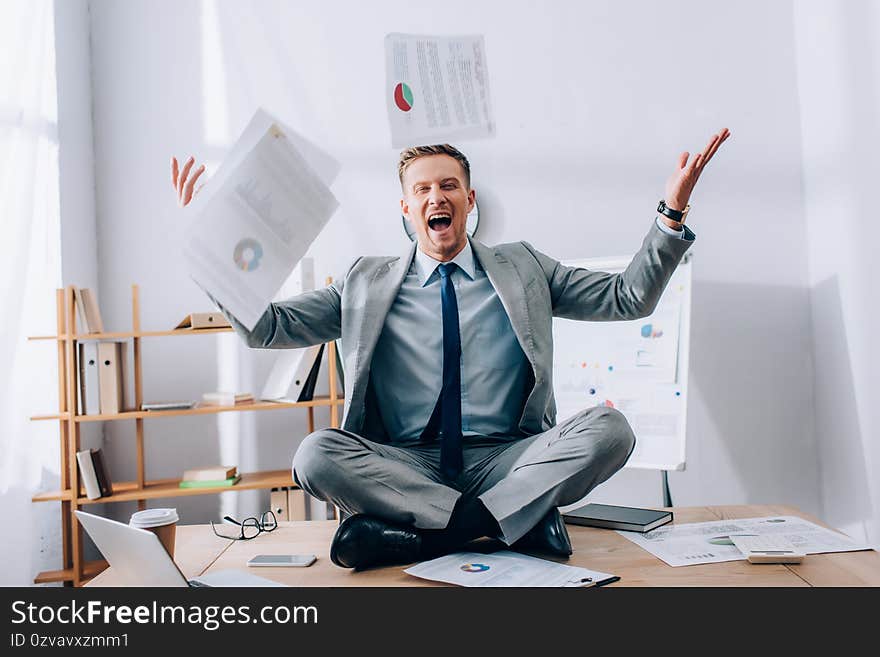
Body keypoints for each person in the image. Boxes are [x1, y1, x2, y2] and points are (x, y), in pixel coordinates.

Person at [171, 129, 729, 570]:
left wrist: (670, 216)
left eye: (448, 185)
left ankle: (423, 538)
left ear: (469, 198)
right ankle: (511, 523)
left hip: (508, 457)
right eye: (422, 189)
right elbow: (266, 327)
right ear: (406, 208)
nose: (436, 197)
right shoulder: (363, 282)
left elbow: (627, 297)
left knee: (611, 431)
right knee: (314, 455)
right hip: (405, 463)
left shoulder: (524, 267)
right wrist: (213, 246)